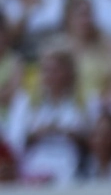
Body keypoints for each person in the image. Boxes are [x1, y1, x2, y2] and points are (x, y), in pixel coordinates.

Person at [4, 40, 86, 186]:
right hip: (34, 166)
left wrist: (71, 135)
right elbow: (14, 141)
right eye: (45, 70)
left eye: (55, 70)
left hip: (73, 167)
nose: (49, 76)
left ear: (68, 72)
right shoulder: (26, 102)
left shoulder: (82, 102)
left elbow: (93, 140)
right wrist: (35, 135)